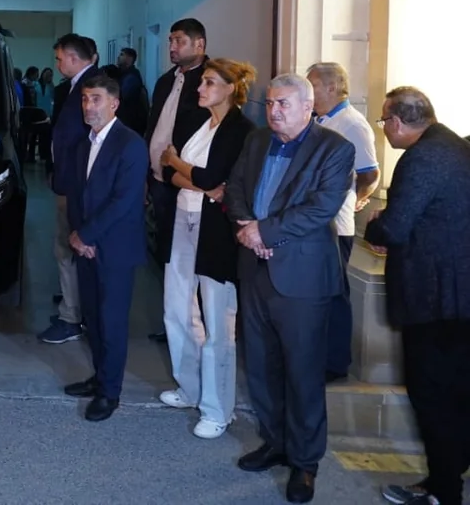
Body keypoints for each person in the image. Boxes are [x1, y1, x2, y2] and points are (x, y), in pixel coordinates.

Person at [224, 73, 354, 504]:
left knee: (302, 372)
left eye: (283, 104)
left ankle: (305, 461)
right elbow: (236, 187)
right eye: (270, 103)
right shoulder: (258, 140)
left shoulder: (334, 148)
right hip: (254, 268)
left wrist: (265, 232)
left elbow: (321, 208)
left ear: (307, 107)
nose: (274, 111)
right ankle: (276, 442)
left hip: (301, 277)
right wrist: (248, 227)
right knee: (261, 365)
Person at [366, 87, 470, 505]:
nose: (384, 129)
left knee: (433, 396)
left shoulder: (422, 157)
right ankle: (449, 471)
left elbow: (395, 227)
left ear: (396, 122)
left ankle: (443, 490)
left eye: (384, 121)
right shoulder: (454, 145)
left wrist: (376, 225)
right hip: (455, 296)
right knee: (455, 393)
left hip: (436, 299)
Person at [157, 59, 257, 439]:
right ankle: (190, 388)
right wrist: (191, 175)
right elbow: (171, 174)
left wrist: (178, 163)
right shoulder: (199, 124)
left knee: (218, 322)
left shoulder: (241, 130)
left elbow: (213, 177)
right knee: (177, 308)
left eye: (210, 83)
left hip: (216, 232)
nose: (200, 88)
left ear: (231, 88)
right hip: (185, 219)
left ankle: (217, 410)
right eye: (201, 83)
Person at [60, 75, 148, 422]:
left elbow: (124, 201)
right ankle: (99, 378)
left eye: (96, 99)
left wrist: (87, 236)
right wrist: (79, 236)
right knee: (93, 319)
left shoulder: (130, 144)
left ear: (114, 103)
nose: (88, 106)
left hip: (114, 249)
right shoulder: (84, 144)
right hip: (87, 246)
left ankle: (110, 393)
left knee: (111, 323)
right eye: (85, 99)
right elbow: (77, 196)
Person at [306, 62, 380, 382]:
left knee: (334, 294)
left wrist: (356, 199)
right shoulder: (320, 120)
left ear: (331, 87)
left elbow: (370, 173)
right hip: (314, 222)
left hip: (337, 225)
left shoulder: (352, 123)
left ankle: (335, 363)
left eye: (312, 85)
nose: (309, 92)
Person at [145, 19, 210, 342]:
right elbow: (153, 125)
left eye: (179, 41)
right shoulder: (165, 81)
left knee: (191, 258)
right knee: (167, 254)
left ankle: (195, 326)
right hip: (160, 180)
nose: (172, 46)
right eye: (170, 40)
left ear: (200, 44)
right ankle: (176, 320)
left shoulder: (209, 82)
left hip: (189, 182)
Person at [40, 33, 97, 345]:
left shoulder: (91, 88)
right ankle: (73, 307)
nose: (58, 63)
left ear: (74, 58)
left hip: (77, 184)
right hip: (69, 179)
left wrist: (66, 178)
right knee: (68, 248)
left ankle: (71, 317)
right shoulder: (76, 86)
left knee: (67, 247)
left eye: (60, 58)